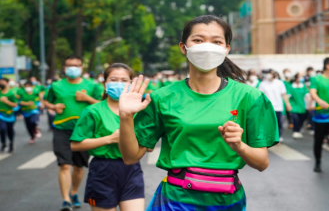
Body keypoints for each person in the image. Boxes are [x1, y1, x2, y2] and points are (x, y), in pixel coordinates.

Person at [118, 15, 279, 210]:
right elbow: (131, 157)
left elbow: (262, 163)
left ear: (226, 49)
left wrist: (239, 145)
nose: (207, 46)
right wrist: (125, 116)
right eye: (198, 40)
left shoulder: (250, 97)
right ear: (183, 47)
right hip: (176, 200)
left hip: (226, 201)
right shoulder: (162, 98)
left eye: (216, 41)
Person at [70, 63, 145, 211]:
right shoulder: (92, 111)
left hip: (132, 170)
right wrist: (109, 139)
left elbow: (147, 146)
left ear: (131, 83)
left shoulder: (139, 111)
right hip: (102, 170)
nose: (119, 84)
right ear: (105, 84)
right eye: (113, 79)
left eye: (124, 80)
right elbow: (75, 145)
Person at [43, 55, 102, 211]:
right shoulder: (56, 86)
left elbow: (103, 104)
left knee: (78, 167)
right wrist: (53, 107)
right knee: (64, 165)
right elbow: (46, 101)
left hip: (84, 131)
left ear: (82, 68)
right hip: (61, 129)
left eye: (76, 65)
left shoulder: (92, 85)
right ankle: (66, 200)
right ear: (64, 68)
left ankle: (74, 192)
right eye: (69, 65)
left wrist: (86, 98)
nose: (72, 68)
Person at [259, 69, 292, 142]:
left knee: (278, 123)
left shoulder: (279, 83)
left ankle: (278, 137)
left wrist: (287, 104)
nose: (268, 75)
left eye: (269, 73)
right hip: (267, 108)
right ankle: (269, 138)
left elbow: (284, 94)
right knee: (268, 124)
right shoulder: (263, 84)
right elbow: (260, 96)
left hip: (278, 107)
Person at [288, 72, 312, 139]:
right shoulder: (291, 86)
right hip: (294, 107)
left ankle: (298, 130)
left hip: (302, 107)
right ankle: (295, 131)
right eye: (300, 77)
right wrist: (288, 105)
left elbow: (307, 95)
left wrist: (310, 104)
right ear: (296, 78)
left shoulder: (303, 86)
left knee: (301, 119)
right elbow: (288, 96)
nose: (301, 78)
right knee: (295, 119)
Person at [0, 78, 18, 153]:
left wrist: (6, 101)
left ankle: (11, 143)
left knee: (10, 130)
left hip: (10, 115)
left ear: (7, 84)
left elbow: (15, 105)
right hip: (1, 115)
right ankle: (3, 143)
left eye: (3, 82)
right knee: (2, 129)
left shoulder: (11, 93)